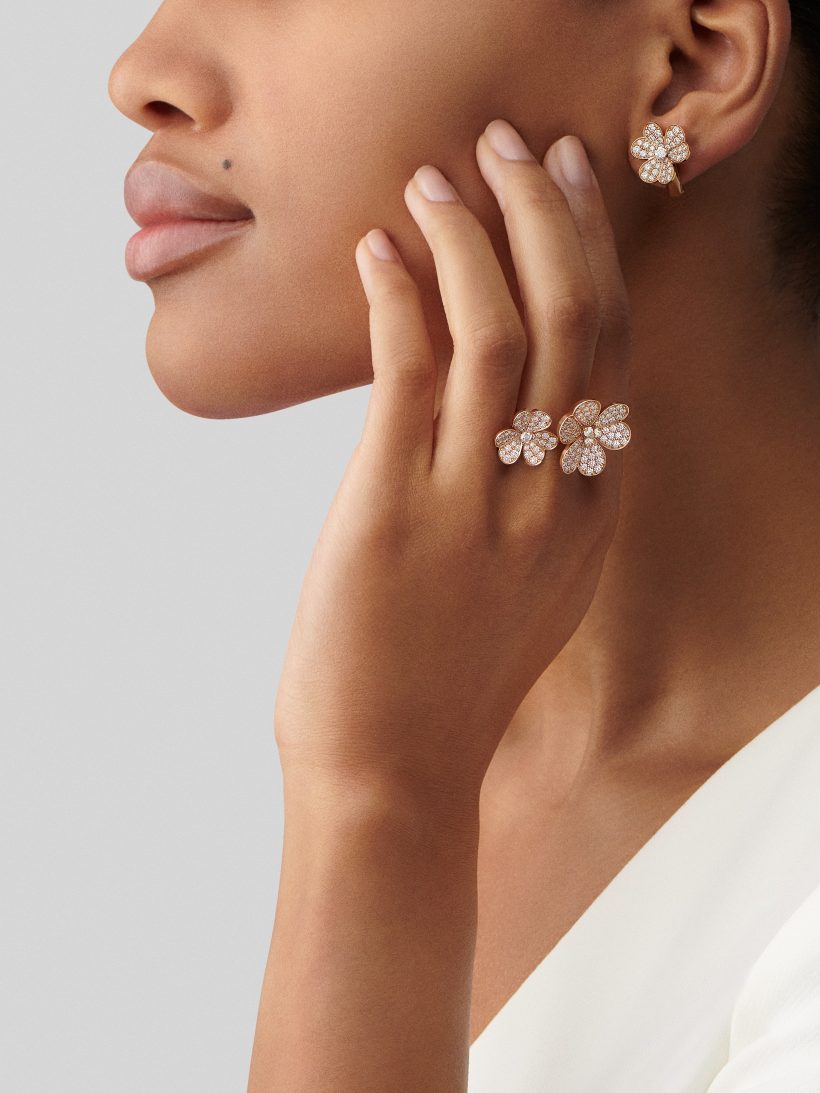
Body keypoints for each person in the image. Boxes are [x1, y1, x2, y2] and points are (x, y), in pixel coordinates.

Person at [108, 0, 820, 1088]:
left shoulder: (393, 761)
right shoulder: (434, 732)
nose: (140, 73)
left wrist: (379, 801)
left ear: (692, 62)